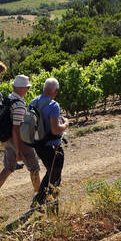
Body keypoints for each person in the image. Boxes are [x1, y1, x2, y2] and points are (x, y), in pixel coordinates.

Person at [0, 75, 41, 209]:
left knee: (9, 167)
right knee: (34, 169)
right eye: (27, 87)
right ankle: (39, 198)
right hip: (19, 141)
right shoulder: (19, 105)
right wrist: (18, 150)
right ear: (23, 88)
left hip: (7, 140)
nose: (28, 90)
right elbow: (17, 129)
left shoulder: (8, 99)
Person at [30, 78, 69, 208]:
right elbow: (55, 129)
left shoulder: (33, 102)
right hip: (52, 147)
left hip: (38, 145)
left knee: (50, 172)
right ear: (55, 91)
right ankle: (49, 205)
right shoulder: (53, 105)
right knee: (55, 176)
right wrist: (66, 124)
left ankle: (40, 200)